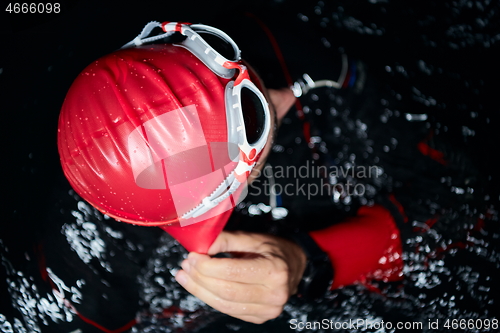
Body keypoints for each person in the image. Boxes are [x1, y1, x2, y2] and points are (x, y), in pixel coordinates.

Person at [57, 18, 407, 326]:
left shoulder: (293, 55)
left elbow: (449, 205)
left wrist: (309, 264)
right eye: (256, 116)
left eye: (253, 103)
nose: (285, 97)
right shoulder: (113, 246)